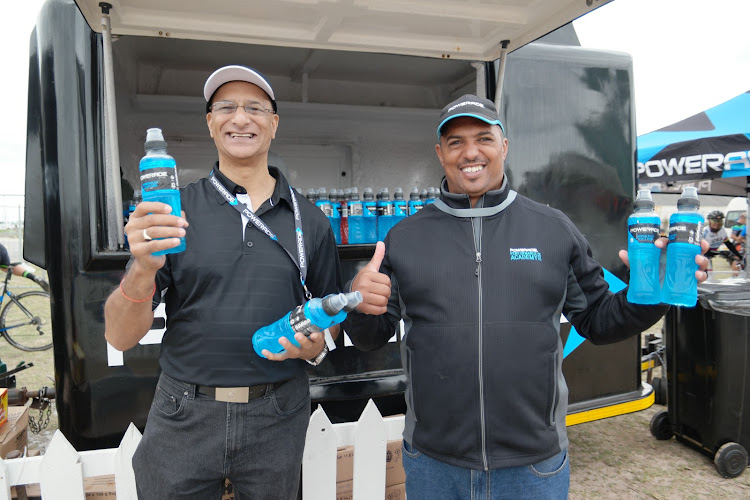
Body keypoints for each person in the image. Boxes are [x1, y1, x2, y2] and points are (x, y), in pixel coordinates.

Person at [342, 94, 710, 499]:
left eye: (483, 138)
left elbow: (599, 320)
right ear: (439, 153)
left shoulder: (552, 228)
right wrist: (358, 304)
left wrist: (652, 294)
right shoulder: (405, 237)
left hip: (533, 466)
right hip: (434, 463)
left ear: (504, 146)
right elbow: (370, 336)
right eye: (455, 141)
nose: (470, 152)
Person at [104, 65, 342, 499]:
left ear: (273, 124)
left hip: (278, 412)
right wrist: (141, 267)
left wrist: (317, 345)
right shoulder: (174, 213)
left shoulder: (312, 221)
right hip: (184, 414)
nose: (240, 118)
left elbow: (331, 319)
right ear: (210, 123)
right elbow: (120, 335)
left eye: (255, 108)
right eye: (226, 107)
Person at [702, 210, 742, 274]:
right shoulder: (705, 232)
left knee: (710, 275)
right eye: (715, 220)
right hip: (702, 255)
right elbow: (702, 250)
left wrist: (739, 256)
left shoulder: (722, 231)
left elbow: (729, 244)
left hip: (710, 254)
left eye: (720, 221)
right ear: (709, 221)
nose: (718, 223)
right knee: (707, 275)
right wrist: (719, 252)